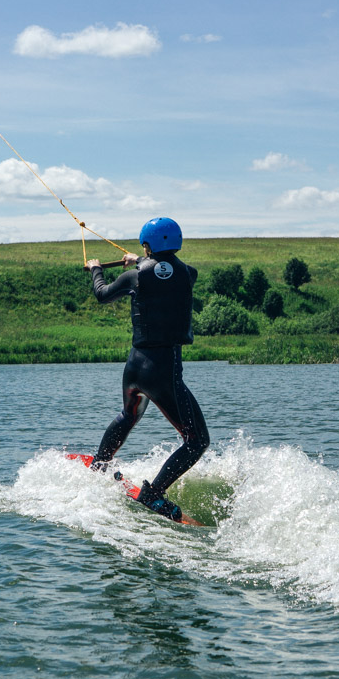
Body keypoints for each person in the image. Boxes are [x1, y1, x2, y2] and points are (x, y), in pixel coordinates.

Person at [84, 217, 210, 523]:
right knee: (197, 441)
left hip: (135, 368)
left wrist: (96, 269)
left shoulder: (133, 277)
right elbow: (165, 271)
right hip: (164, 372)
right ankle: (154, 492)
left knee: (129, 415)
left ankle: (99, 464)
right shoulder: (188, 274)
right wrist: (142, 259)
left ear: (147, 243)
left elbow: (102, 294)